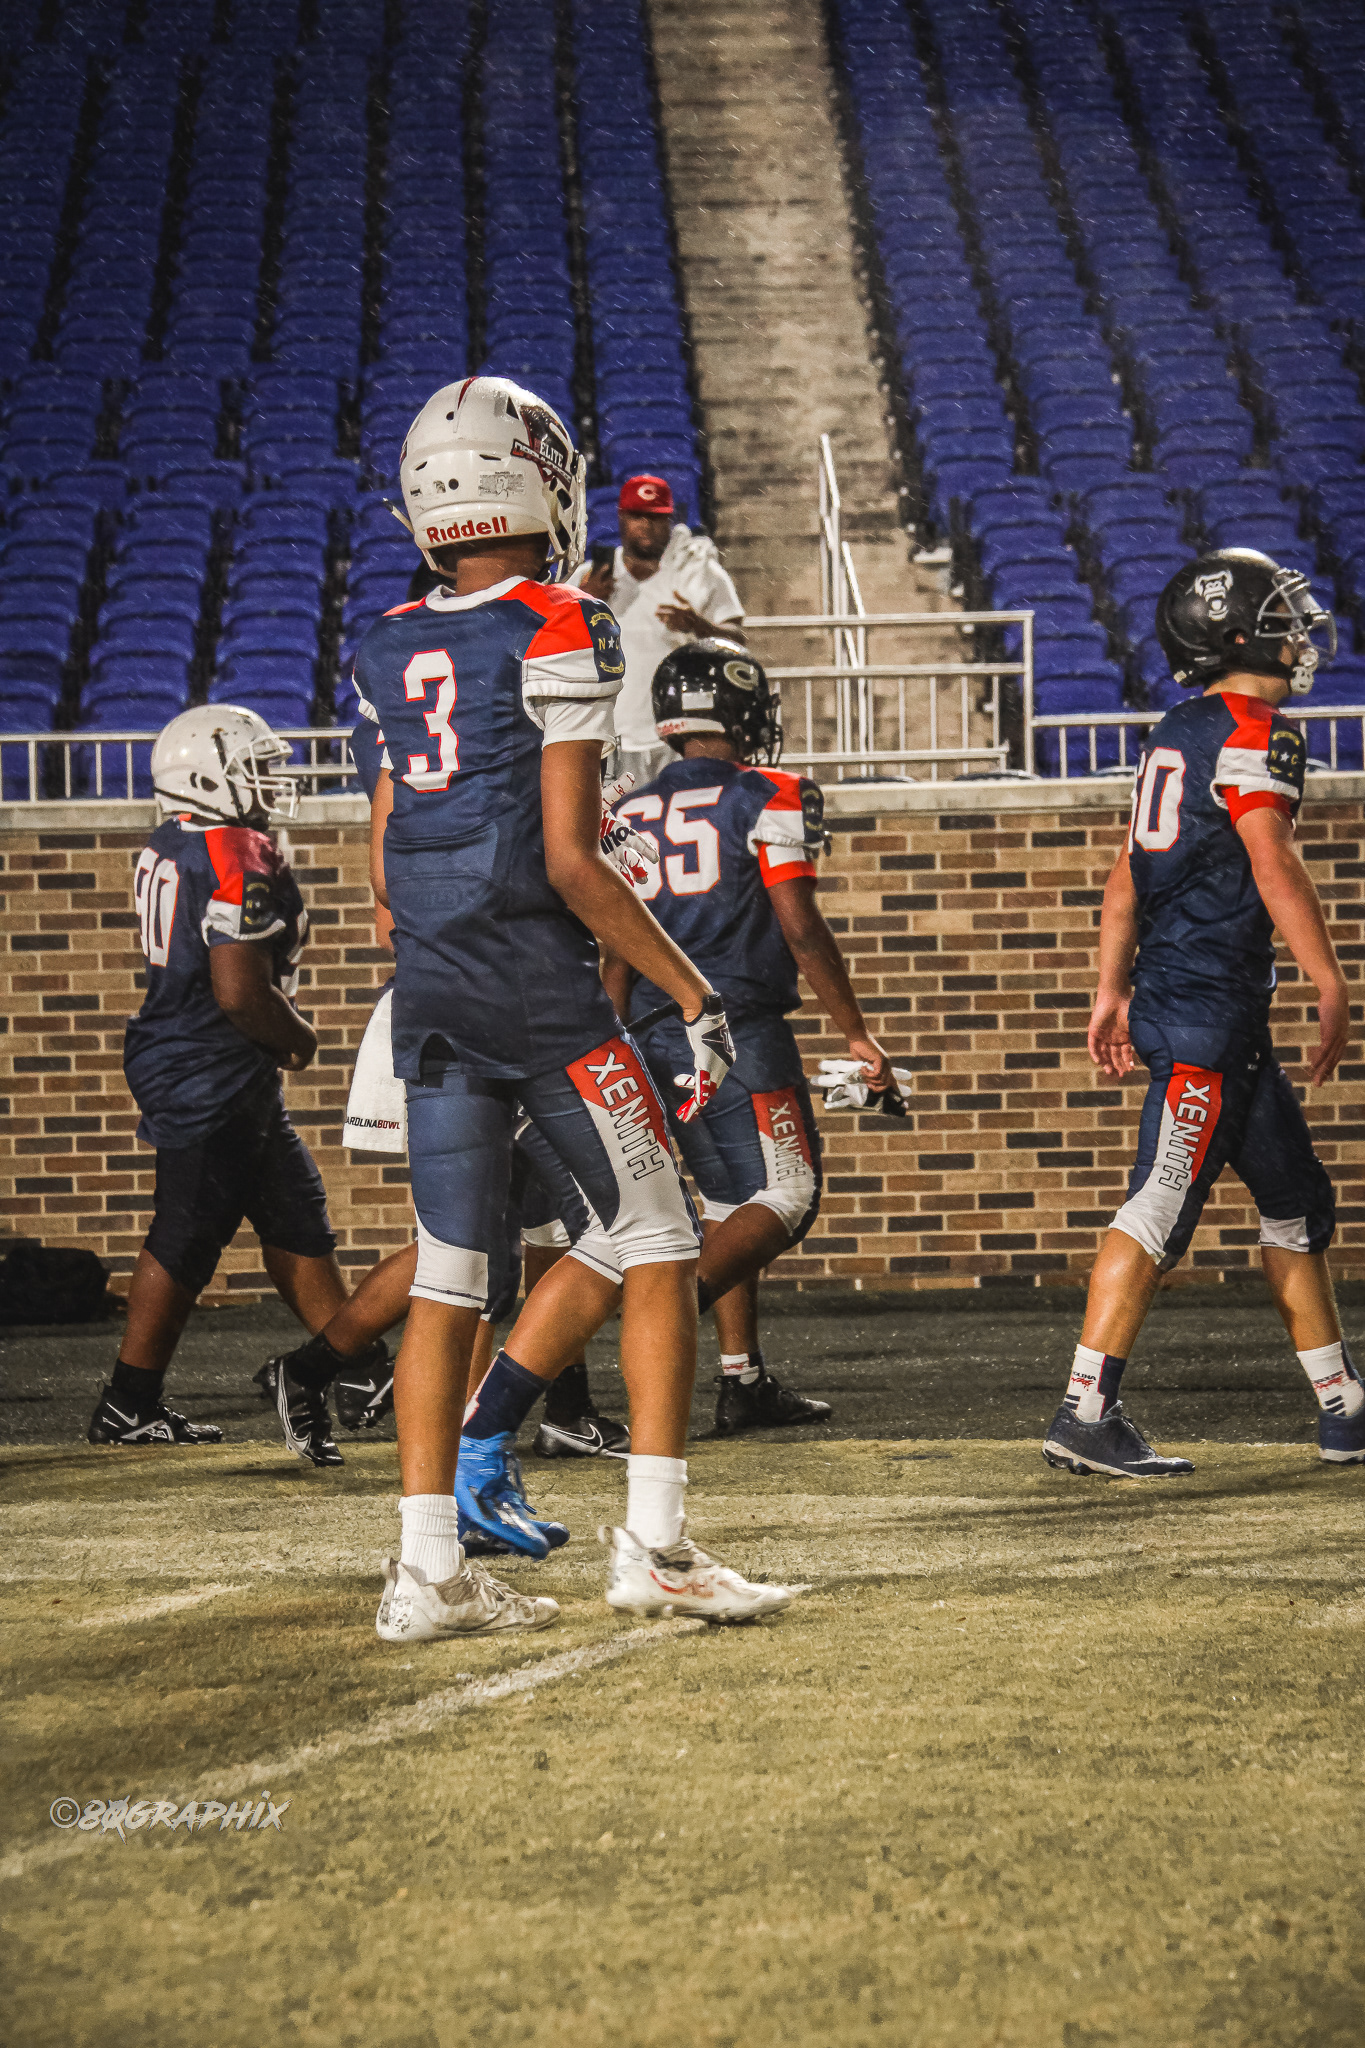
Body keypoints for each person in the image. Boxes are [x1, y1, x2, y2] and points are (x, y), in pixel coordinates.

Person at [354, 375, 797, 1640]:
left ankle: (426, 1572)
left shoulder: (384, 638)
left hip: (432, 981)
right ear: (538, 482)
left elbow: (384, 863)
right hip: (536, 984)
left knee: (452, 1272)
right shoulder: (562, 619)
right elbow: (567, 860)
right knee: (659, 1234)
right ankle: (656, 1544)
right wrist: (691, 987)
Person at [1042, 547, 1361, 1479]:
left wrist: (1110, 988)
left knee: (1295, 1205)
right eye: (1280, 618)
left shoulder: (1178, 728)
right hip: (1204, 1012)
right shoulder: (1255, 729)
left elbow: (1125, 875)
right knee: (1157, 1203)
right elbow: (1272, 860)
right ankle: (1083, 1411)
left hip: (1208, 1010)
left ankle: (1342, 1405)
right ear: (1238, 635)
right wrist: (1330, 979)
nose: (1298, 634)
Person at [603, 640, 898, 1435]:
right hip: (737, 1026)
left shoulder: (629, 809)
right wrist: (856, 1034)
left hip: (653, 1029)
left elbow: (615, 948)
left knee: (731, 1203)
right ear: (736, 711)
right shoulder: (770, 792)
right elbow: (798, 926)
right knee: (789, 1195)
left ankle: (742, 1379)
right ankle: (660, 1316)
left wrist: (616, 1040)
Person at [88, 706, 348, 1451]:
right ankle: (127, 1402)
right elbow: (238, 990)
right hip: (210, 1061)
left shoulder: (172, 840)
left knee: (294, 1214)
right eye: (251, 770)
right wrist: (297, 1035)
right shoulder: (236, 849)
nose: (267, 783)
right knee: (187, 1232)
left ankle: (358, 1366)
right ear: (205, 777)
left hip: (198, 1053)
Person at [573, 474, 745, 789]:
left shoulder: (696, 572)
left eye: (656, 517)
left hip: (681, 735)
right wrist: (583, 603)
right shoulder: (588, 579)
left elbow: (738, 643)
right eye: (638, 516)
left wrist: (698, 625)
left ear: (670, 520)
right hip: (610, 737)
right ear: (621, 518)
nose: (647, 526)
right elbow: (545, 644)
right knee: (618, 822)